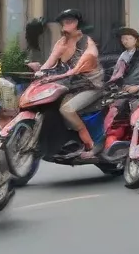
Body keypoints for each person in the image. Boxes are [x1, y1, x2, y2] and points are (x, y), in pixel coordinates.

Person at [31, 9, 105, 155]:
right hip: (70, 85)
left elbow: (82, 64)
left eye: (69, 20)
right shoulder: (62, 42)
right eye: (63, 21)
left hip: (90, 85)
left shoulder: (86, 42)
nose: (65, 23)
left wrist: (60, 75)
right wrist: (40, 72)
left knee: (67, 109)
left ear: (78, 23)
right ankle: (62, 140)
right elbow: (50, 62)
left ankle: (89, 143)